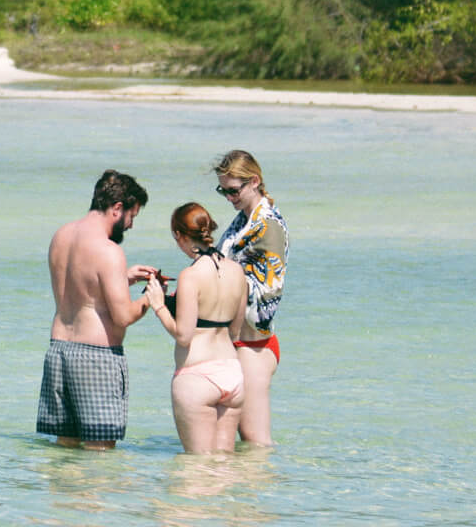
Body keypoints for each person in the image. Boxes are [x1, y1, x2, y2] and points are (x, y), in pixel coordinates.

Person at [36, 169, 156, 450]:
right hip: (96, 358)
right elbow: (124, 316)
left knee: (65, 450)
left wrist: (121, 277)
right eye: (132, 216)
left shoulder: (61, 236)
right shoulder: (108, 250)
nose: (130, 225)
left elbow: (80, 286)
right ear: (117, 208)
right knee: (100, 453)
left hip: (59, 352)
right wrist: (152, 297)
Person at [141, 202, 248, 454]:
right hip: (231, 373)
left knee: (196, 468)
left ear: (179, 235)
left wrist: (159, 305)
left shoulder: (190, 275)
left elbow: (184, 335)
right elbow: (235, 331)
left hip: (197, 377)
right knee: (223, 468)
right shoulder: (237, 272)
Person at [212, 150, 289, 448]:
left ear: (254, 181)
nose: (229, 198)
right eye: (223, 191)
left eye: (233, 190)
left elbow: (268, 299)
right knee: (239, 445)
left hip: (254, 343)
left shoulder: (267, 225)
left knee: (256, 443)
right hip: (236, 340)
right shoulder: (242, 220)